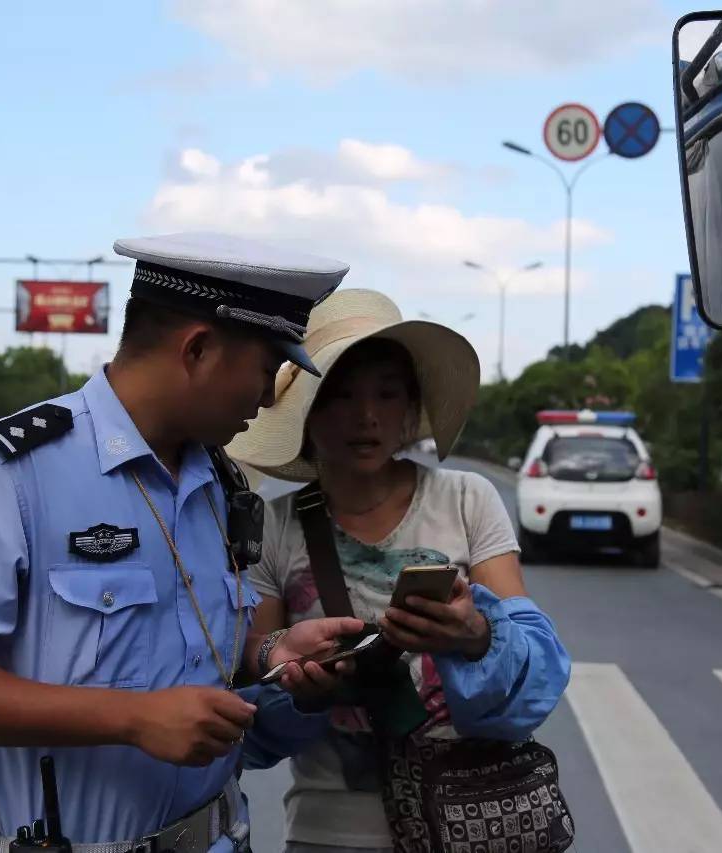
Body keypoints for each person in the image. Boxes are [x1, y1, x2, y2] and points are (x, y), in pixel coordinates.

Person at [0, 232, 370, 852]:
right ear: (198, 350)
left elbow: (181, 642)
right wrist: (134, 719)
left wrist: (269, 650)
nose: (268, 398)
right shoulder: (10, 472)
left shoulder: (216, 478)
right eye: (266, 370)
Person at [227, 289, 572, 852]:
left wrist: (475, 634)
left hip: (475, 824)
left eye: (387, 394)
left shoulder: (467, 499)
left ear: (411, 408)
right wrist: (304, 688)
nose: (366, 416)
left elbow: (534, 676)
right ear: (308, 413)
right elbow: (253, 696)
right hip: (329, 833)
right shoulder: (273, 527)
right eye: (341, 395)